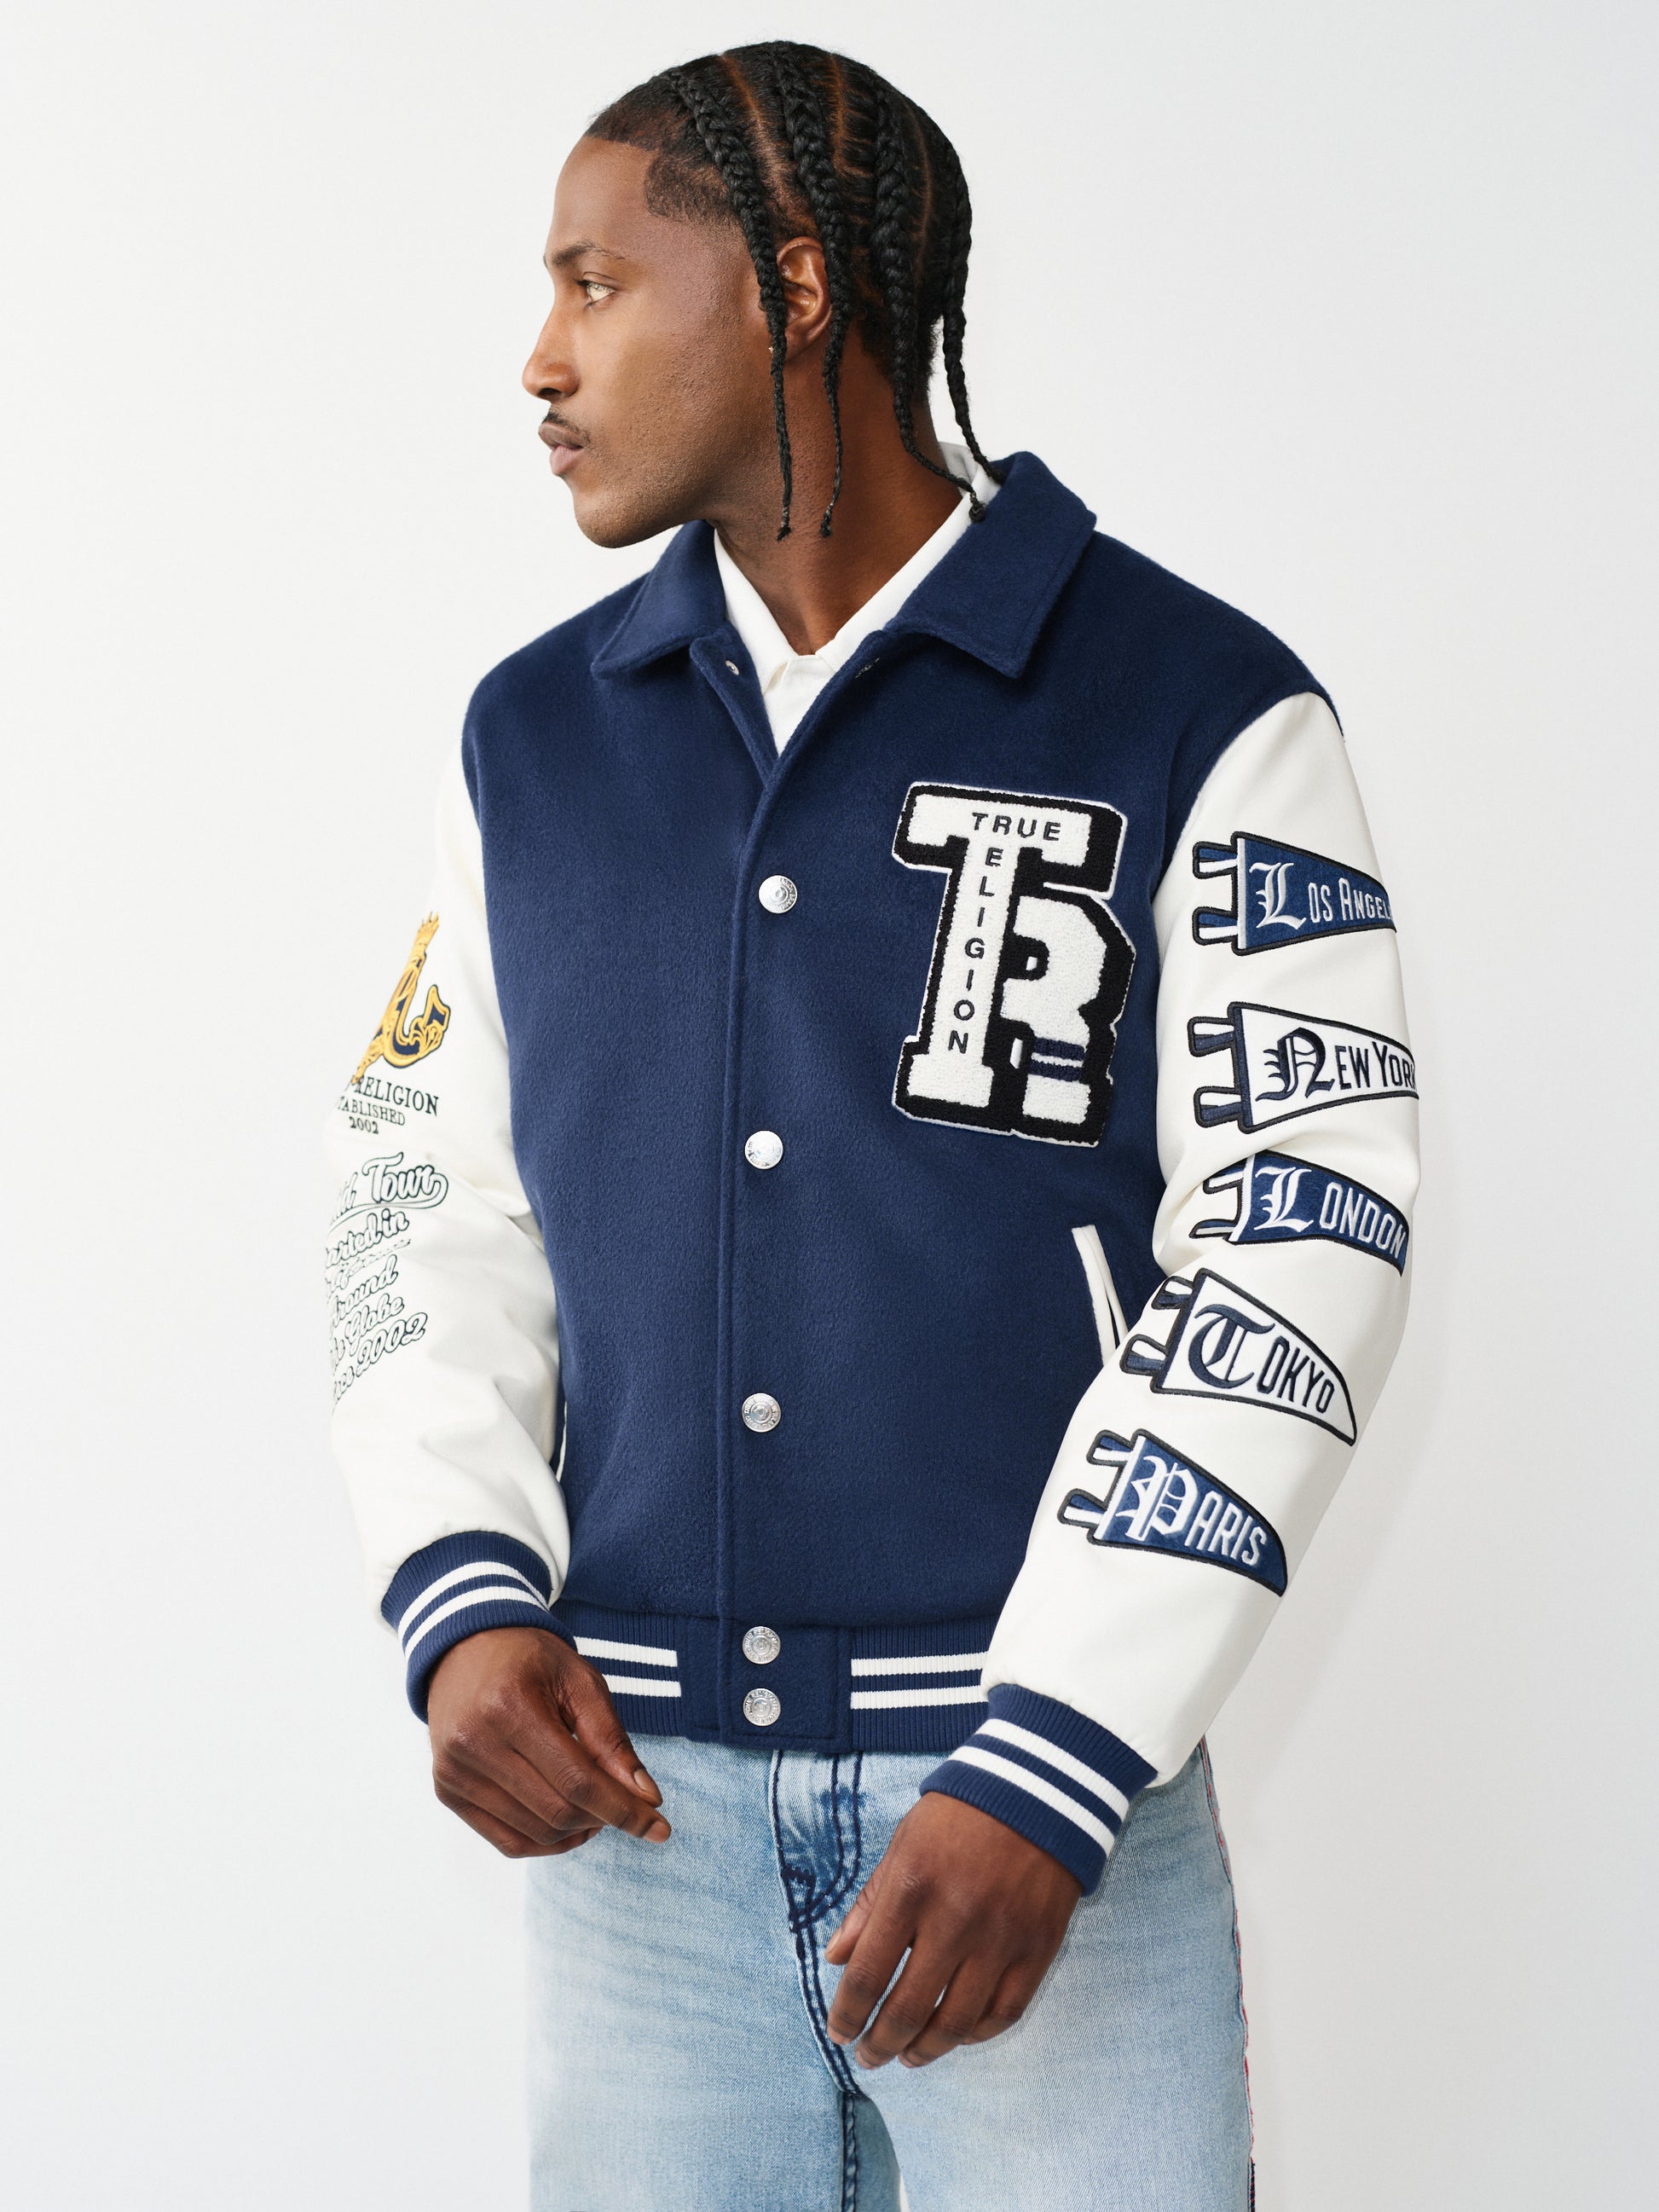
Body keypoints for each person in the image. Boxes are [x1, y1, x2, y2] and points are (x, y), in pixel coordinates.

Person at [324, 41, 1417, 2210]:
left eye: (596, 283)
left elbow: (1298, 1239)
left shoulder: (1198, 709)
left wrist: (1056, 1753)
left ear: (795, 287)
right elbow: (421, 1198)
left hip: (1036, 1826)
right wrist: (459, 1590)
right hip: (632, 1823)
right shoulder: (534, 738)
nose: (542, 358)